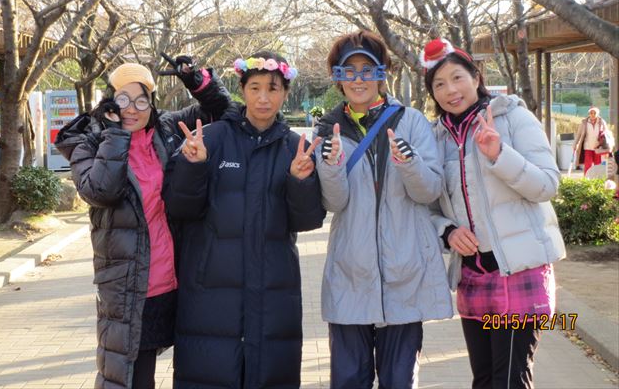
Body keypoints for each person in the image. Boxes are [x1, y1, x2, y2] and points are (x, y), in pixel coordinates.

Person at [55, 61, 230, 388]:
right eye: (123, 99)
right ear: (110, 100)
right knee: (128, 376)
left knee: (179, 368)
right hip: (129, 286)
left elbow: (223, 112)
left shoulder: (166, 129)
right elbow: (101, 191)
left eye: (141, 100)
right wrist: (115, 134)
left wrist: (197, 81)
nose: (132, 109)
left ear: (152, 102)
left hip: (173, 280)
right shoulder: (88, 142)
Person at [163, 52, 326, 388]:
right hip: (210, 292)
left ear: (285, 93)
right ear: (242, 90)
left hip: (273, 289)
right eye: (255, 88)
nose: (263, 97)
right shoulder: (210, 139)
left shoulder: (295, 148)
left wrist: (300, 181)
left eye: (273, 88)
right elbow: (179, 208)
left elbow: (308, 220)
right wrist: (193, 167)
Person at [421, 38, 566, 389]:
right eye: (439, 84)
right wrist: (448, 231)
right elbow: (429, 206)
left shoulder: (513, 117)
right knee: (484, 379)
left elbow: (547, 185)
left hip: (518, 272)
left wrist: (500, 154)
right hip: (473, 274)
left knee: (509, 380)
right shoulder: (436, 137)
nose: (450, 90)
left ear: (476, 77)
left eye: (457, 78)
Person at [314, 30, 452, 389]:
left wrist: (409, 163)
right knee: (348, 380)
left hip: (405, 272)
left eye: (367, 70)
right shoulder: (328, 130)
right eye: (349, 71)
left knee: (399, 380)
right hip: (350, 273)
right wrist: (330, 167)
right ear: (338, 77)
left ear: (382, 73)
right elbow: (334, 203)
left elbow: (429, 191)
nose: (358, 80)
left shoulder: (411, 121)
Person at [573, 106, 615, 175]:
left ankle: (597, 179)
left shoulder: (602, 122)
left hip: (597, 147)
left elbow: (606, 134)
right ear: (589, 114)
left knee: (597, 165)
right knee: (588, 165)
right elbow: (579, 134)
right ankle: (586, 179)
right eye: (591, 113)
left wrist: (607, 145)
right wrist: (575, 144)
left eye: (594, 113)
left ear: (597, 114)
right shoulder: (584, 122)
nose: (592, 115)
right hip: (587, 147)